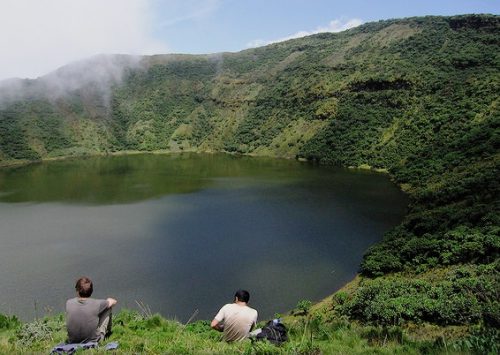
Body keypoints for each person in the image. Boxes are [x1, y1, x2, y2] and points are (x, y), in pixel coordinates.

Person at [65, 276, 117, 343]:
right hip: (94, 341)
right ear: (91, 291)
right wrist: (107, 301)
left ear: (77, 290)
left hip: (72, 341)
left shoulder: (69, 302)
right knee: (108, 308)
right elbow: (114, 301)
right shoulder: (97, 303)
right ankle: (108, 332)